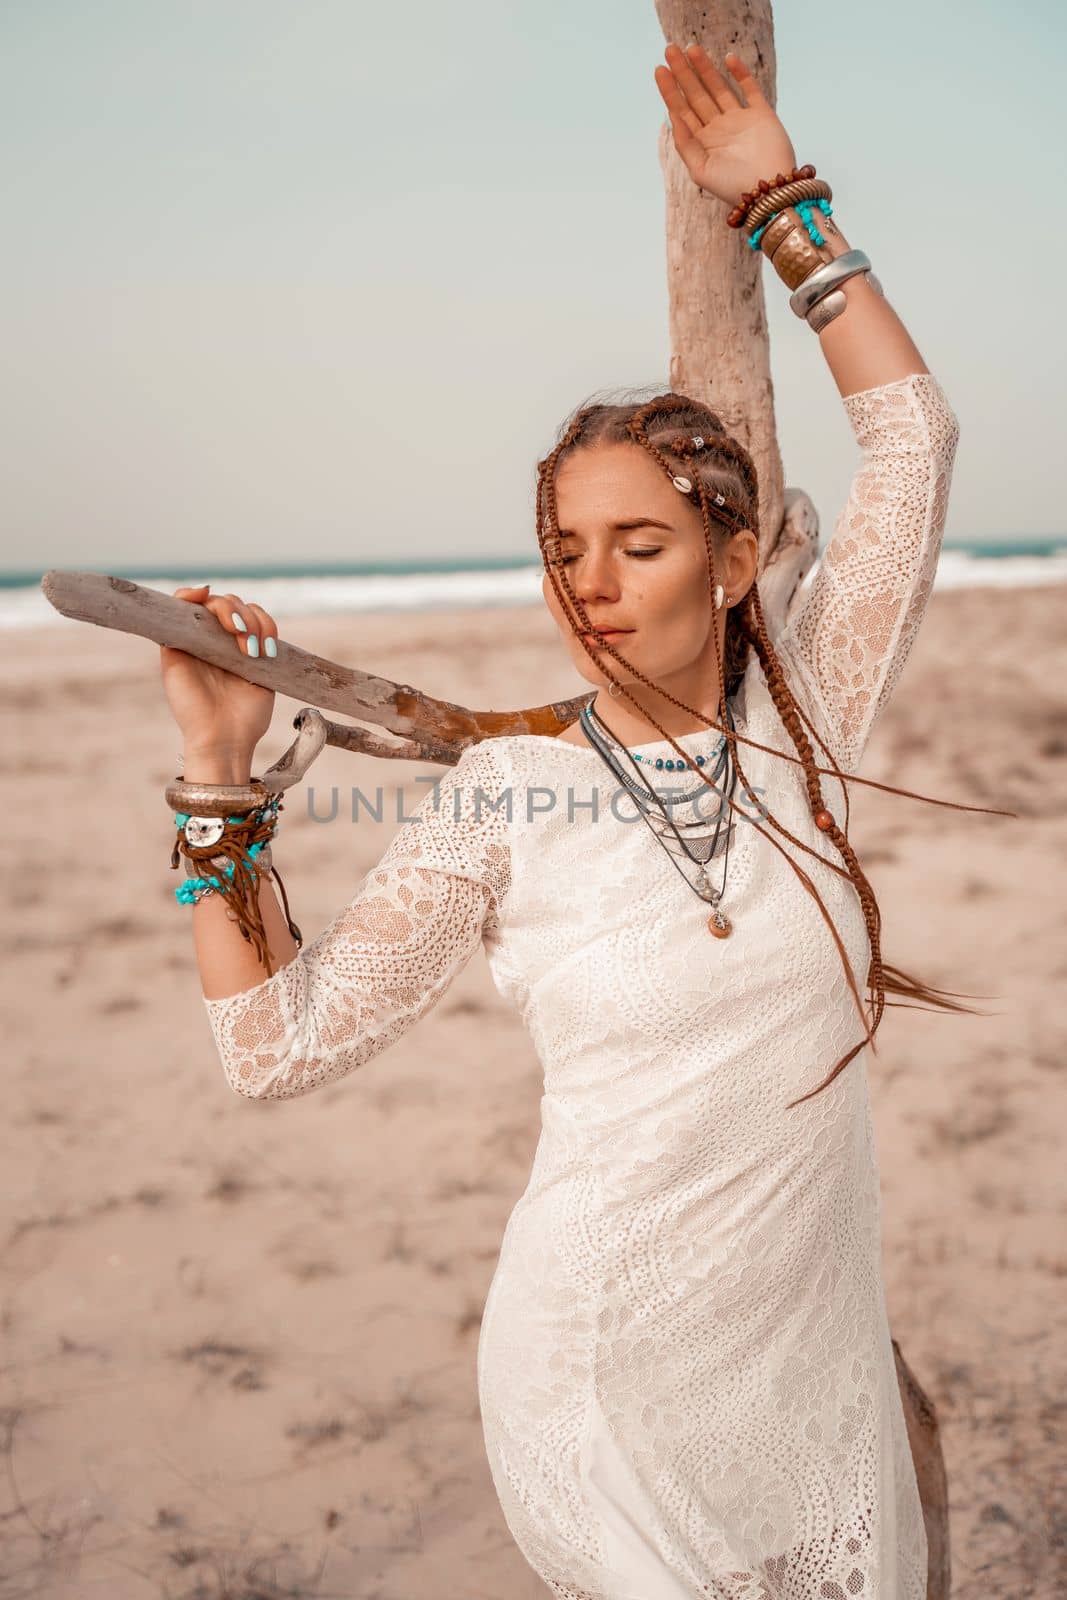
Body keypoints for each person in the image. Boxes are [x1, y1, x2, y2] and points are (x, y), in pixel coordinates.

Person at [159, 40, 973, 1600]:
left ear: (735, 567)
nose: (589, 585)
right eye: (564, 547)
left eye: (640, 543)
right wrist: (217, 784)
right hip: (608, 1388)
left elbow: (914, 445)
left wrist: (782, 206)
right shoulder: (508, 798)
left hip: (809, 1380)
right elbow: (275, 1048)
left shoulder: (811, 717)